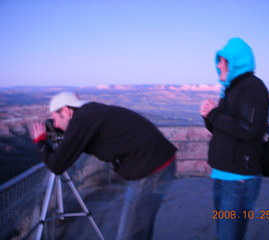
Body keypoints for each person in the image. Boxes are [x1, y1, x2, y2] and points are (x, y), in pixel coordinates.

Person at [32, 91, 177, 240]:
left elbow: (57, 165)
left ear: (66, 111)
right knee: (140, 226)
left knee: (130, 233)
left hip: (151, 171)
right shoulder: (90, 113)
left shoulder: (83, 119)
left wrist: (40, 142)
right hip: (154, 166)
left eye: (55, 119)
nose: (55, 125)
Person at [200, 38, 269, 240]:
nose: (219, 65)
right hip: (222, 174)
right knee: (225, 232)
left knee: (229, 235)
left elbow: (248, 130)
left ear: (239, 62)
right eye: (219, 60)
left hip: (239, 178)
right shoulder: (231, 89)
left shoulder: (253, 88)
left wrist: (214, 114)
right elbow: (222, 129)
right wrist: (208, 116)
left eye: (225, 61)